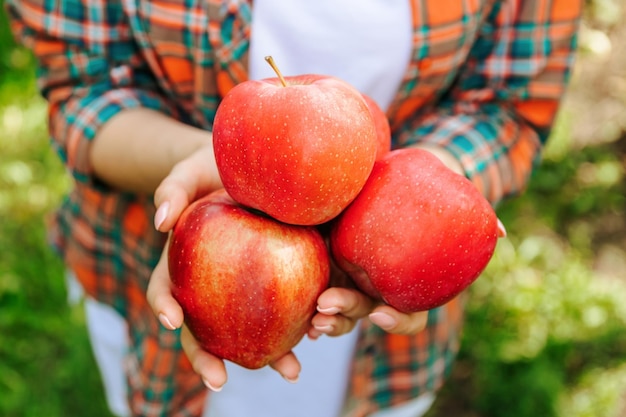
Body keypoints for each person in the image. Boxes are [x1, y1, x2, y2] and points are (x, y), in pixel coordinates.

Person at [6, 0, 583, 416]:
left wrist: (422, 206)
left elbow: (507, 100)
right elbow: (84, 89)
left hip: (380, 299)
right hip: (163, 271)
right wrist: (196, 159)